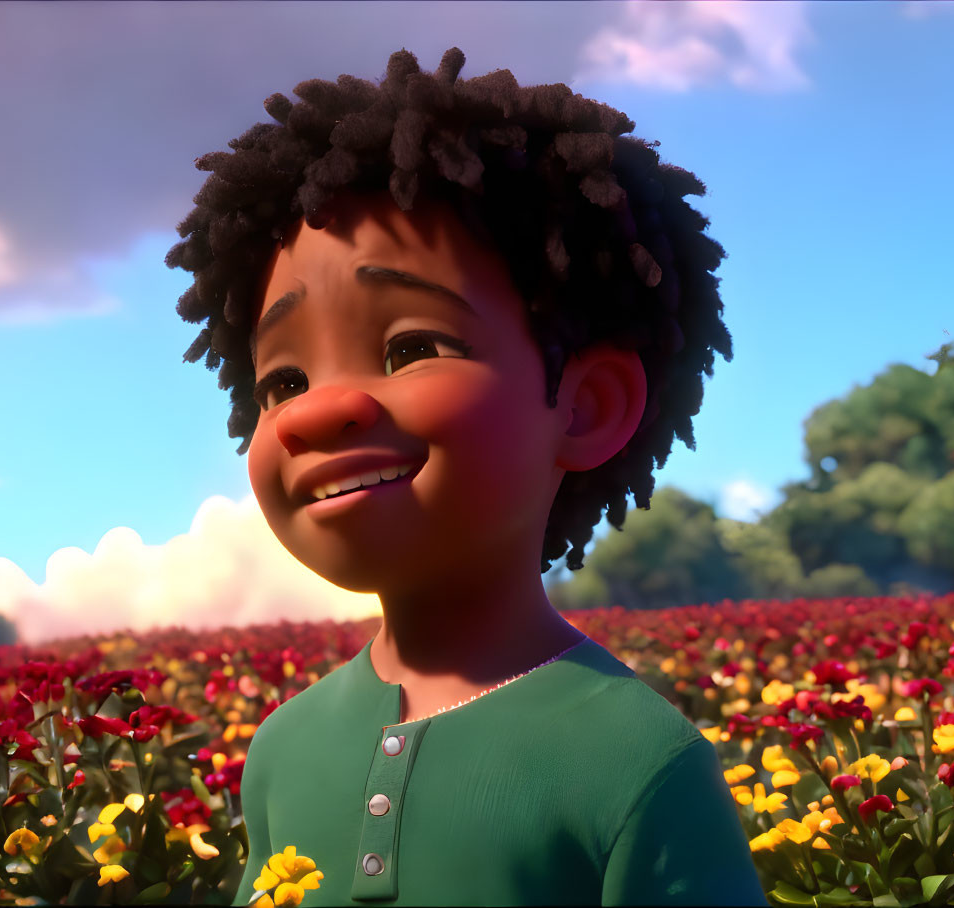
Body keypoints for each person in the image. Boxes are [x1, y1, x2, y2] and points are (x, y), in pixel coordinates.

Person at [166, 47, 768, 907]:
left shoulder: (638, 759)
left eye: (411, 348)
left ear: (587, 406)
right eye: (282, 384)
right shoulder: (281, 749)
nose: (311, 413)